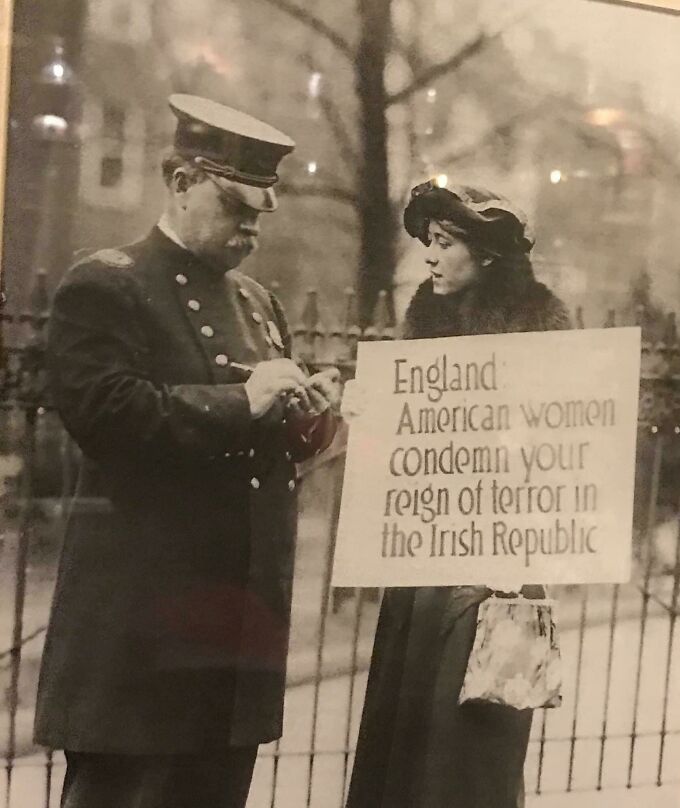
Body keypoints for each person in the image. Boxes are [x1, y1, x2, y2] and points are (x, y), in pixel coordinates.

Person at [33, 94, 339, 808]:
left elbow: (265, 453)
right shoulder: (106, 285)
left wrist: (312, 422)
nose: (251, 230)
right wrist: (245, 400)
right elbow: (107, 414)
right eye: (236, 208)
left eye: (261, 214)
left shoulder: (259, 304)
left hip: (232, 638)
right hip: (144, 636)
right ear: (179, 183)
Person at [345, 179, 570, 808]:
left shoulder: (542, 333)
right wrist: (368, 414)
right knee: (408, 736)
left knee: (471, 751)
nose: (430, 256)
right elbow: (399, 454)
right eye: (427, 242)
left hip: (498, 576)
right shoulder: (423, 327)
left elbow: (563, 458)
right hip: (421, 570)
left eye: (445, 242)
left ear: (489, 253)